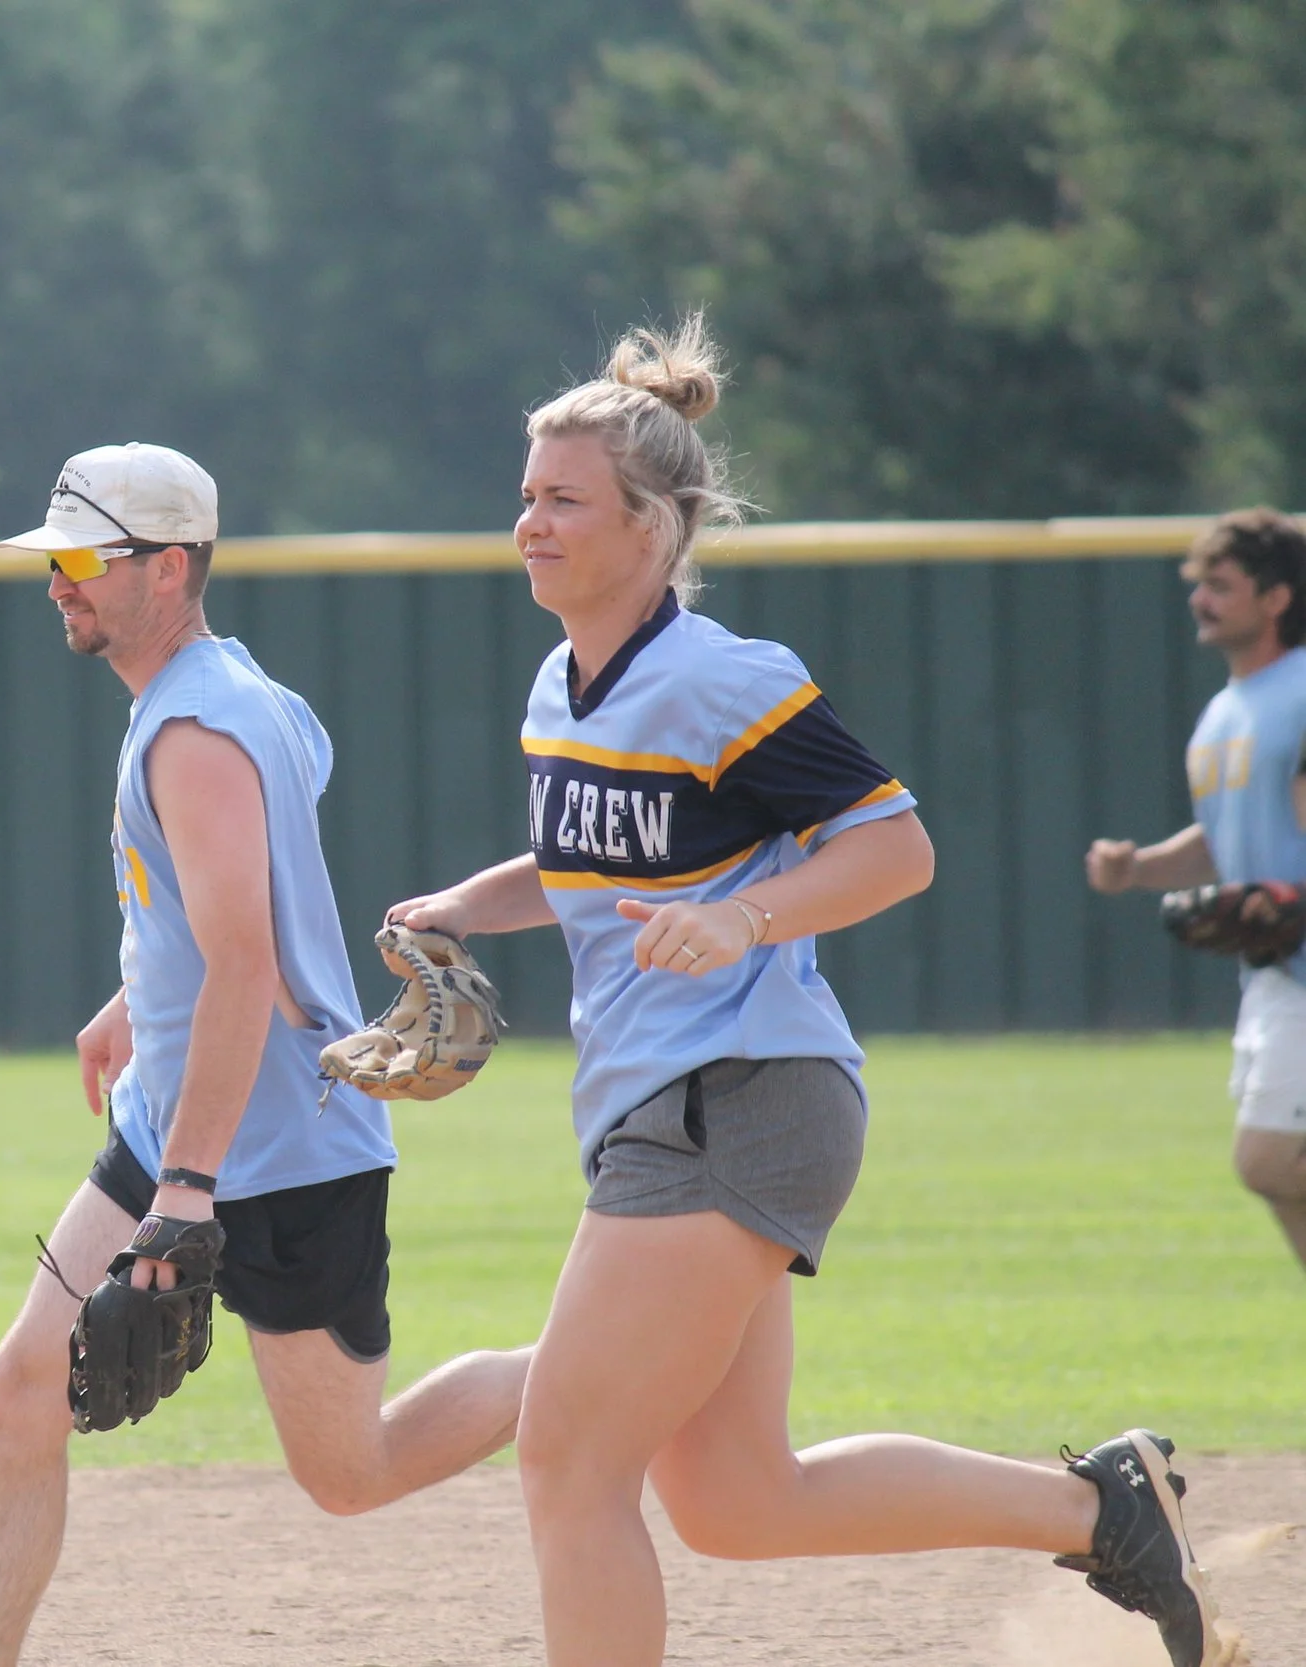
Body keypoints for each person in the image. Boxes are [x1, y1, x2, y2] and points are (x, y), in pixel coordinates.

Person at [385, 319, 1229, 1667]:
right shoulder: (564, 682)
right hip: (672, 1100)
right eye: (528, 493)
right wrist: (461, 906)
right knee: (734, 1498)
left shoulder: (725, 677)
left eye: (564, 498)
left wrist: (743, 917)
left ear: (657, 524)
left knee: (568, 1456)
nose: (530, 521)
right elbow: (590, 862)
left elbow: (897, 847)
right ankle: (1100, 1505)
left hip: (737, 1090)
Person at [0, 442, 530, 1667]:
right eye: (49, 556)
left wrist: (186, 1191)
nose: (54, 580)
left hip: (274, 1155)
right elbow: (225, 899)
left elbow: (244, 962)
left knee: (350, 1471)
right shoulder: (238, 690)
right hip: (178, 1123)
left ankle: (596, 1362)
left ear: (167, 568)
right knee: (19, 1394)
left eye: (77, 558)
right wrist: (130, 992)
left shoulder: (193, 730)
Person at [1088, 508, 1306, 1275]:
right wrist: (1138, 867)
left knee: (1269, 1159)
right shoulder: (1224, 712)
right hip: (1275, 972)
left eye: (1221, 585)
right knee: (1279, 1176)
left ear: (1276, 598)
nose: (1200, 600)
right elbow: (1224, 837)